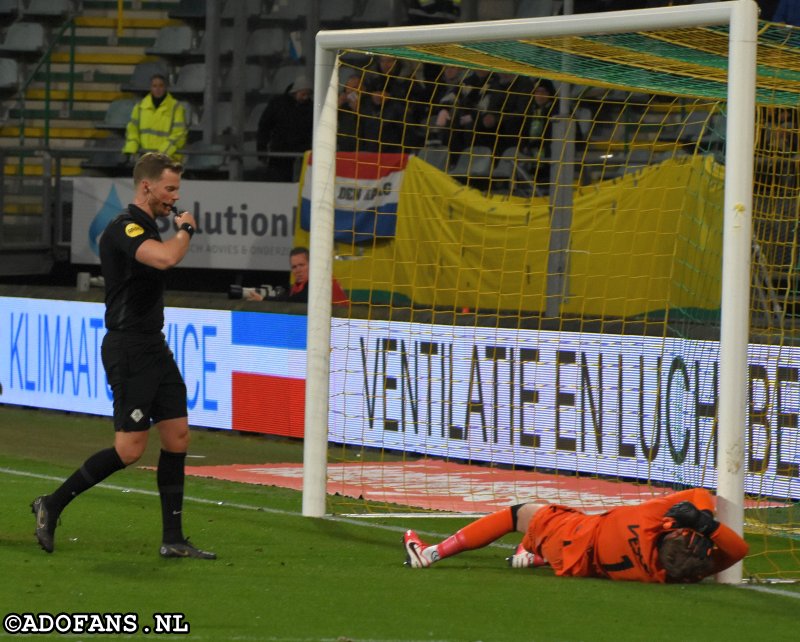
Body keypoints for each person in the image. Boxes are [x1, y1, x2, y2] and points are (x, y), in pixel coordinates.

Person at [31, 152, 215, 560]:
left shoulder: (147, 226)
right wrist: (185, 230)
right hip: (128, 347)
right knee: (130, 449)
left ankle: (173, 538)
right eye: (169, 189)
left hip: (154, 345)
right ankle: (53, 503)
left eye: (177, 190)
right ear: (147, 186)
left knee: (177, 435)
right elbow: (166, 258)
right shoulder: (125, 227)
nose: (174, 197)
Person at [403, 488, 748, 583]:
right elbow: (737, 551)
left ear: (668, 531)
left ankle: (431, 554)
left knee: (519, 514)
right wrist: (708, 527)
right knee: (561, 527)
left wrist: (705, 518)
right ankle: (533, 555)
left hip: (575, 538)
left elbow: (699, 492)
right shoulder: (673, 575)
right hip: (588, 563)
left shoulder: (648, 520)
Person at [256, 73, 314, 182]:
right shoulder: (278, 104)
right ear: (295, 92)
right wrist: (261, 148)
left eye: (308, 95)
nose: (305, 97)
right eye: (303, 94)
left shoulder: (311, 107)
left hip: (301, 152)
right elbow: (264, 126)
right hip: (280, 152)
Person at [246, 246, 349, 305]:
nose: (298, 270)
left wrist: (264, 299)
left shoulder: (322, 280)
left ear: (312, 264)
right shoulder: (299, 285)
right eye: (294, 267)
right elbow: (290, 297)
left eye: (301, 265)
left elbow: (298, 299)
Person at [123, 74, 187, 162]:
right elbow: (132, 130)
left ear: (165, 87)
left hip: (168, 159)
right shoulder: (140, 106)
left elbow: (179, 134)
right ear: (150, 88)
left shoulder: (176, 107)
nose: (157, 89)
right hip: (145, 159)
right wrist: (131, 148)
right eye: (154, 86)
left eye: (161, 86)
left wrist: (161, 154)